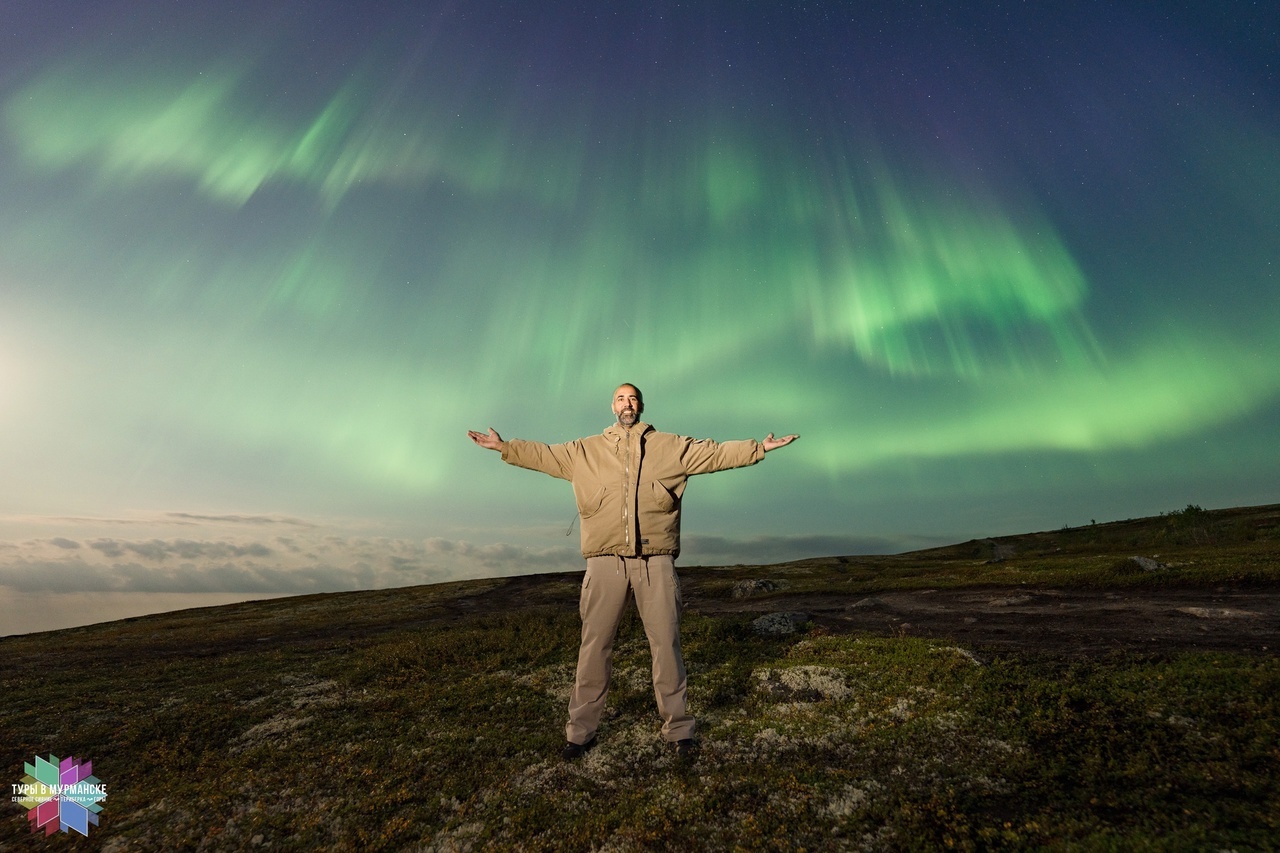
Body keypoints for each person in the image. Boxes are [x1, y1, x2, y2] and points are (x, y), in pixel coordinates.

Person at [467, 383, 798, 760]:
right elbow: (543, 454)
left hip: (655, 561)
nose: (628, 403)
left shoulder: (669, 446)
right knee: (594, 648)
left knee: (666, 646)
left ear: (641, 406)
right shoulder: (584, 451)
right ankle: (580, 733)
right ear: (612, 406)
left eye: (633, 398)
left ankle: (678, 730)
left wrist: (758, 448)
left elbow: (715, 453)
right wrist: (504, 446)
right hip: (604, 562)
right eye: (621, 398)